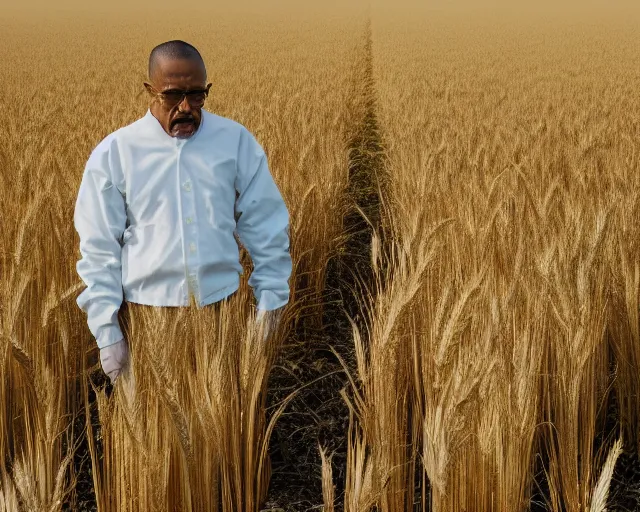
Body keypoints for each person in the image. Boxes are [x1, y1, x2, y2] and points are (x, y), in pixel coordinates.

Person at [74, 40, 292, 384]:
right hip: (147, 321)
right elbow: (99, 246)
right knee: (151, 433)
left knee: (225, 431)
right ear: (150, 90)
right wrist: (107, 332)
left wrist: (270, 304)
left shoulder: (235, 141)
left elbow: (266, 225)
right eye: (173, 95)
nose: (187, 106)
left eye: (198, 94)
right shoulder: (116, 153)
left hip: (223, 314)